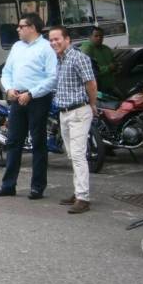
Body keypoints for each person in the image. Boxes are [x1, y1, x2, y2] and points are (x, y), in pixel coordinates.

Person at [0, 13, 57, 199]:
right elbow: (6, 71)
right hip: (17, 97)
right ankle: (8, 185)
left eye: (21, 26)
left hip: (38, 99)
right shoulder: (17, 47)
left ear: (32, 28)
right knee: (12, 142)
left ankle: (37, 187)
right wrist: (9, 88)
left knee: (38, 142)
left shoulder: (46, 48)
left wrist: (31, 93)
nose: (17, 29)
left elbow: (52, 77)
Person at [49, 26, 97, 214]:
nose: (54, 43)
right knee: (72, 155)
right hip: (64, 113)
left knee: (77, 155)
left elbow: (91, 83)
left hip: (78, 112)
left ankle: (83, 198)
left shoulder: (78, 57)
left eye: (57, 39)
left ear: (67, 39)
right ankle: (78, 193)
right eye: (51, 40)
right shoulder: (59, 60)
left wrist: (92, 105)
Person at [79, 27, 118, 95]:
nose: (99, 38)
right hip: (97, 90)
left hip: (110, 86)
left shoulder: (106, 49)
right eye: (96, 36)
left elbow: (114, 62)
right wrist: (108, 68)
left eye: (101, 36)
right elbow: (89, 70)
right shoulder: (87, 49)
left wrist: (115, 67)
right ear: (90, 37)